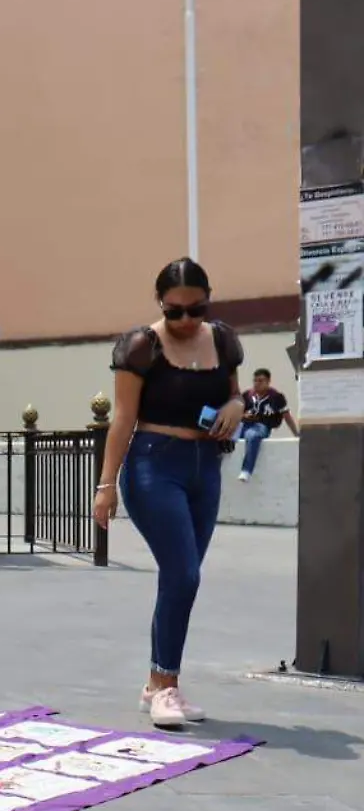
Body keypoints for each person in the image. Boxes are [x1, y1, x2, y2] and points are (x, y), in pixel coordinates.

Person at [95, 258, 243, 729]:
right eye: (174, 310)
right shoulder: (142, 345)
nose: (185, 320)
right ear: (160, 303)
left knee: (182, 576)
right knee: (183, 575)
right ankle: (167, 686)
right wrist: (105, 486)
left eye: (194, 309)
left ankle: (155, 685)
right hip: (153, 466)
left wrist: (237, 406)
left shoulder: (222, 339)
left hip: (207, 468)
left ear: (208, 299)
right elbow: (122, 418)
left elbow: (235, 393)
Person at [235, 368, 299, 482]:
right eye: (255, 381)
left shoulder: (276, 397)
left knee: (253, 436)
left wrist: (296, 434)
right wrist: (244, 416)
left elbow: (286, 416)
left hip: (261, 426)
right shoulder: (247, 395)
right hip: (244, 425)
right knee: (225, 435)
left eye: (260, 381)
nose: (257, 384)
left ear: (268, 381)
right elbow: (237, 413)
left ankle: (246, 471)